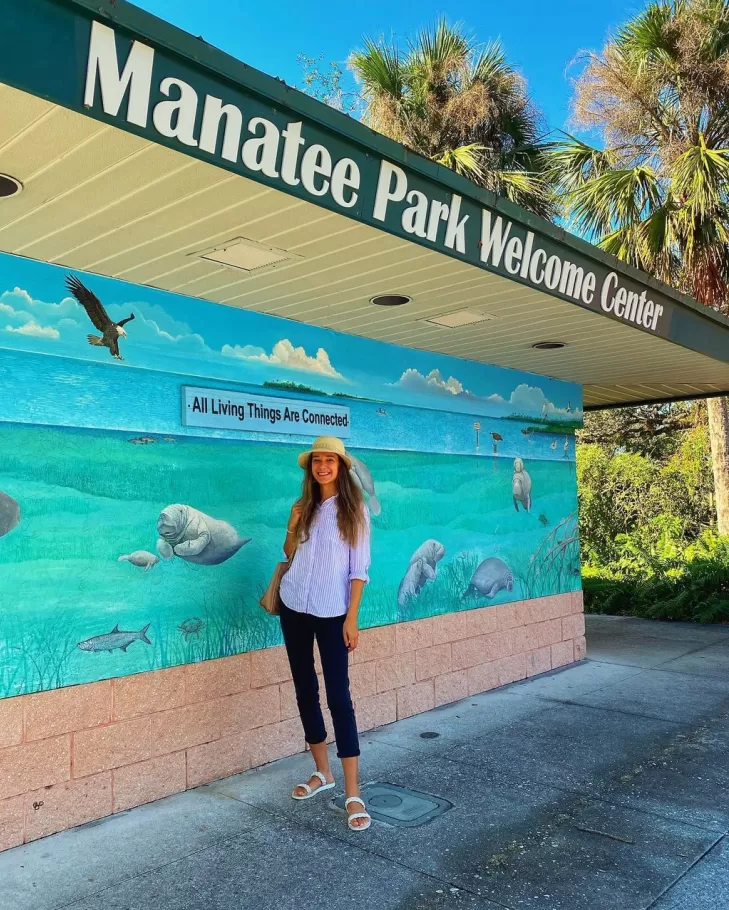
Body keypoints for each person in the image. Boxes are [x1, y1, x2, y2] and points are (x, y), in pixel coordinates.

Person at [280, 435, 372, 831]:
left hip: (333, 613)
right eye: (317, 460)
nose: (322, 467)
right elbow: (289, 553)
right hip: (294, 607)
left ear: (340, 467)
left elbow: (358, 570)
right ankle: (323, 772)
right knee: (305, 690)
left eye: (329, 460)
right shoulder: (304, 506)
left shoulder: (354, 511)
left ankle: (353, 791)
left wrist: (352, 618)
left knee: (339, 698)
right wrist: (292, 526)